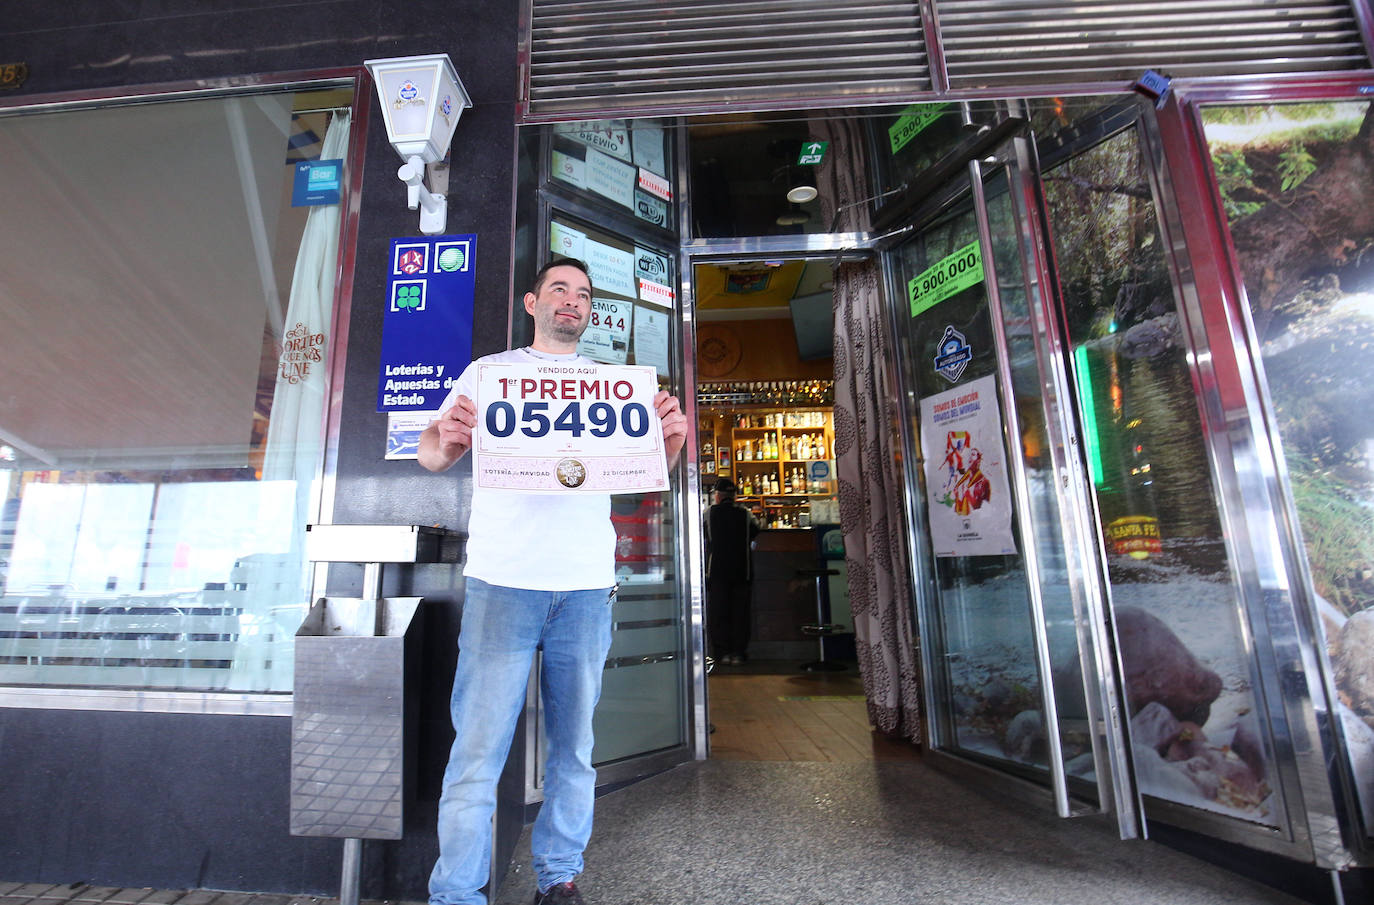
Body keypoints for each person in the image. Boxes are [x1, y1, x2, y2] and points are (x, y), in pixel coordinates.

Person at [419, 258, 686, 905]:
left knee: (574, 749)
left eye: (584, 294)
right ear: (532, 302)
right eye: (560, 289)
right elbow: (431, 455)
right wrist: (446, 434)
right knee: (478, 751)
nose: (573, 300)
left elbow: (645, 477)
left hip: (586, 589)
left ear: (590, 312)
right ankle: (456, 894)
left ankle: (558, 878)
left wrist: (670, 442)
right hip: (502, 584)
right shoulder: (491, 374)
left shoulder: (609, 388)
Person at [704, 476, 759, 665]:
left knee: (719, 613)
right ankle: (738, 653)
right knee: (740, 614)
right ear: (734, 496)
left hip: (718, 571)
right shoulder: (746, 514)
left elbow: (703, 534)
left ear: (717, 496)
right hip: (742, 571)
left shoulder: (708, 514)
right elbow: (756, 530)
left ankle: (722, 654)